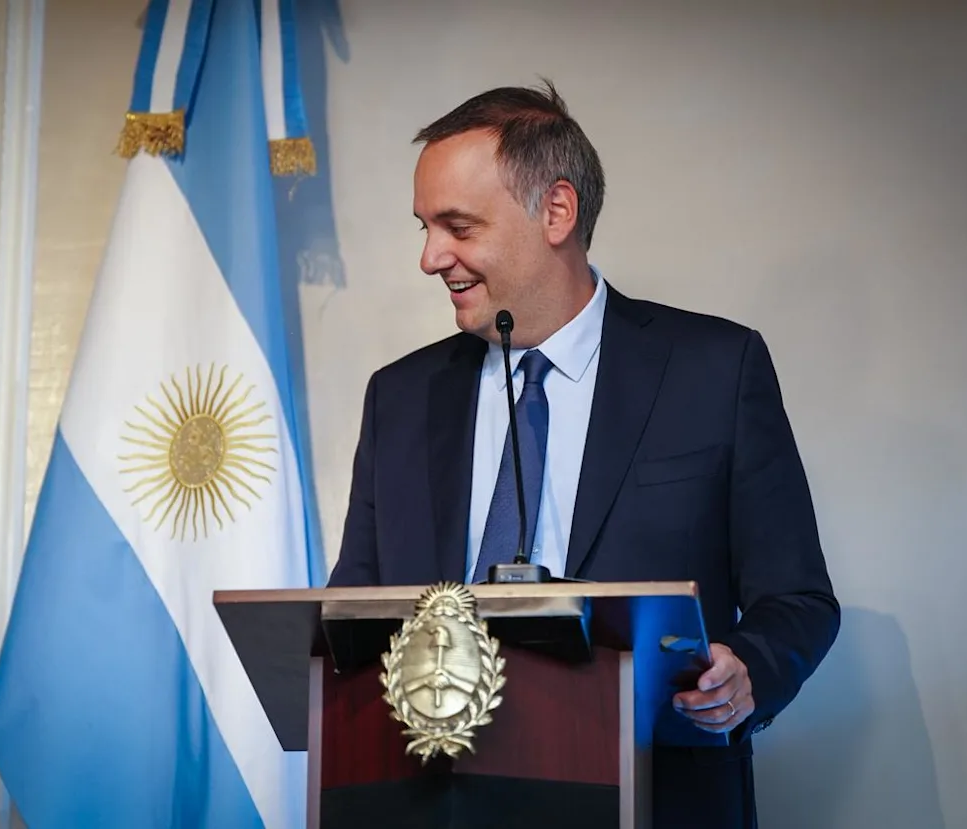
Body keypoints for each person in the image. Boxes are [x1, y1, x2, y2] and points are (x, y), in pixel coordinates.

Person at [326, 81, 839, 828]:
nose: (431, 257)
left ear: (556, 212)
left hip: (658, 796)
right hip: (430, 804)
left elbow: (797, 600)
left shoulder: (714, 370)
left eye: (457, 226)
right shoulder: (399, 397)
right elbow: (352, 613)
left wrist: (748, 670)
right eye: (425, 227)